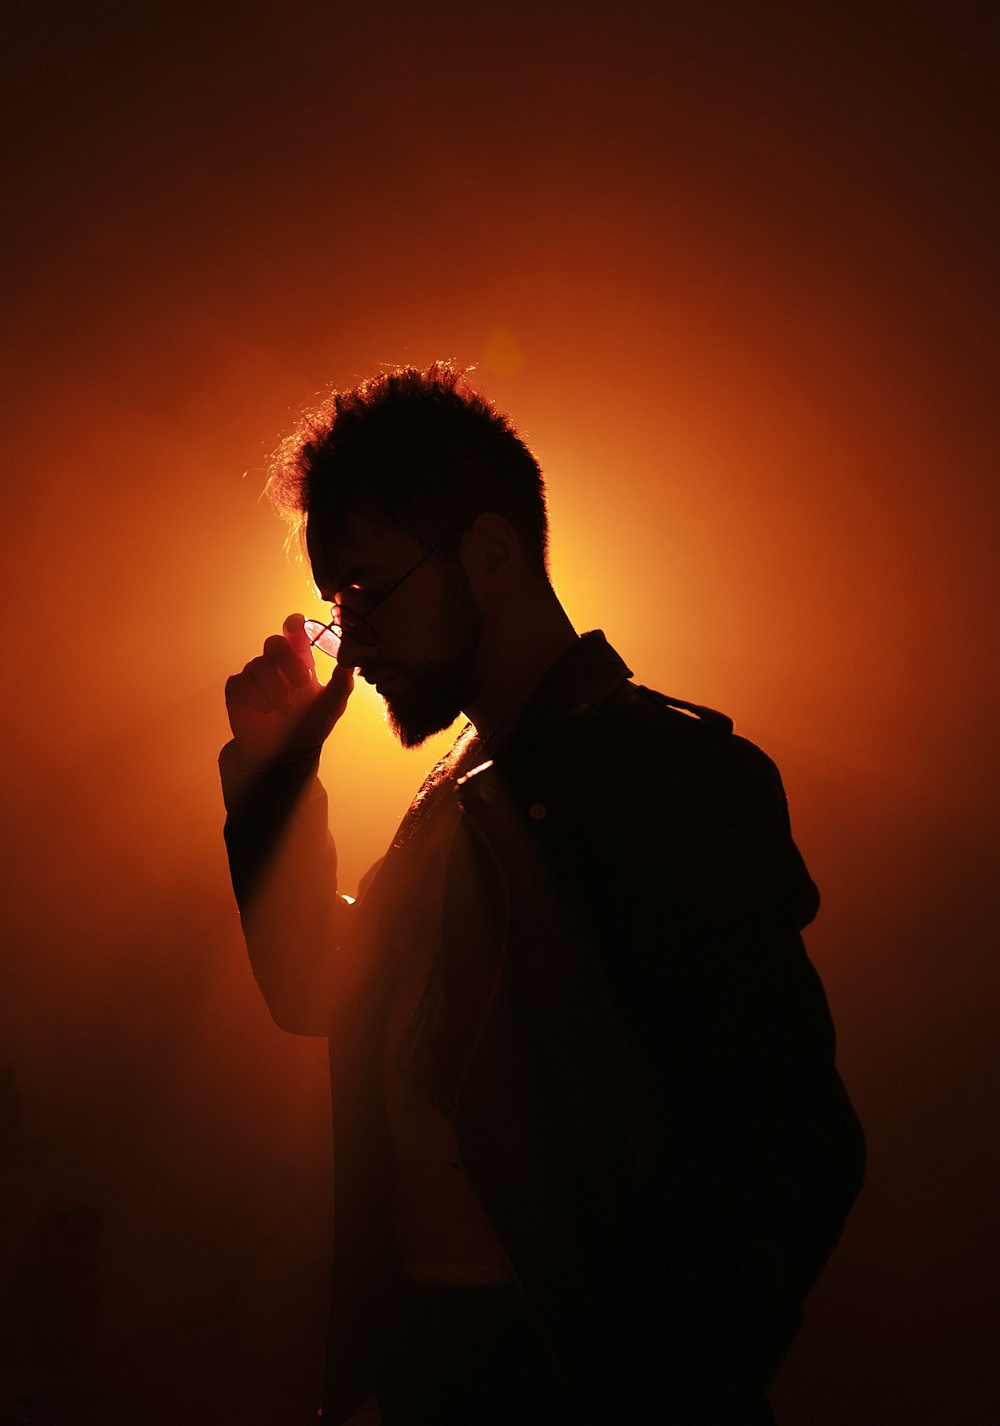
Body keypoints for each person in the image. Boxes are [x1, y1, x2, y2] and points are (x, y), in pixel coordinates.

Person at [220, 363, 865, 1425]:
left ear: (488, 555)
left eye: (370, 590)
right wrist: (275, 775)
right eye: (338, 607)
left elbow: (793, 1144)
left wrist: (669, 1385)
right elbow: (316, 991)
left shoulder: (667, 779)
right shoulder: (451, 797)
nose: (356, 640)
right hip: (436, 1370)